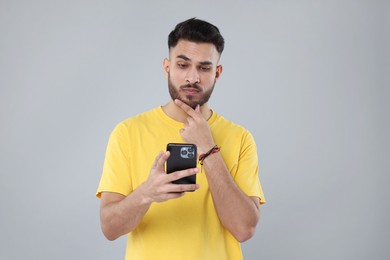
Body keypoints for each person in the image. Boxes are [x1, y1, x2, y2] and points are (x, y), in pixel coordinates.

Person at [96, 18, 266, 260]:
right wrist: (146, 193)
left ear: (217, 73)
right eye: (183, 65)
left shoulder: (240, 138)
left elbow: (244, 228)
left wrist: (208, 148)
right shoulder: (127, 133)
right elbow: (109, 228)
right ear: (167, 67)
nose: (192, 77)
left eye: (204, 68)